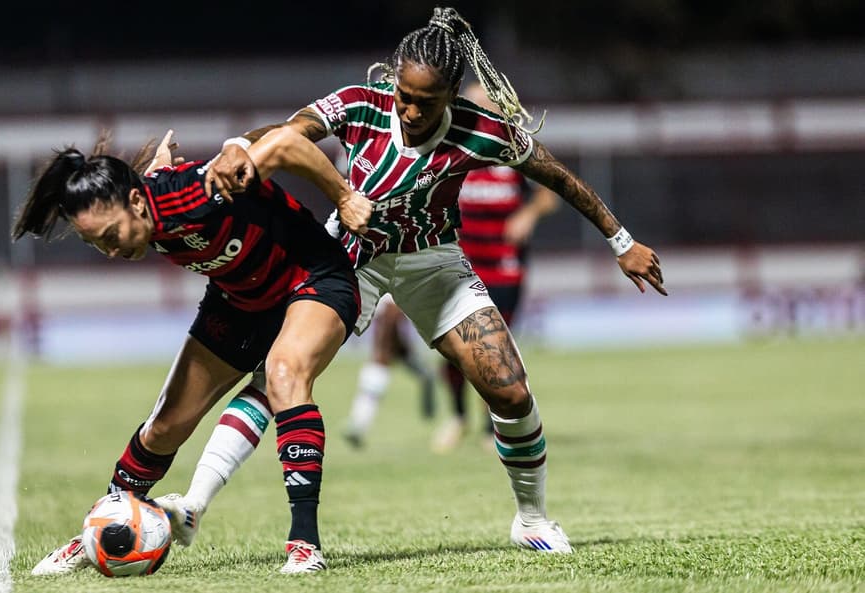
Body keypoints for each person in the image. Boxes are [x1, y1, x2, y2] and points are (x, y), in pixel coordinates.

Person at [159, 6, 666, 556]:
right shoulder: (361, 104)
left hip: (434, 262)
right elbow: (291, 132)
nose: (411, 110)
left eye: (427, 102)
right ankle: (193, 505)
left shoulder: (481, 131)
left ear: (451, 95)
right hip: (349, 257)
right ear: (394, 79)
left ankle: (532, 520)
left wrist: (622, 241)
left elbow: (558, 176)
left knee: (511, 390)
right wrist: (239, 145)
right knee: (281, 374)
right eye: (404, 95)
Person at [17, 127, 368, 575]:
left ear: (136, 203)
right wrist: (157, 171)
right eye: (97, 243)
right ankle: (103, 527)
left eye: (111, 235)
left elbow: (285, 143)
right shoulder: (144, 204)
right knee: (164, 426)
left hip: (313, 277)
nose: (111, 251)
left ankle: (305, 543)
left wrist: (343, 196)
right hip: (240, 299)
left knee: (284, 374)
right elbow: (153, 185)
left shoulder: (198, 190)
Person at [433, 81, 560, 453]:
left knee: (494, 350)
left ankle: (494, 428)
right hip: (459, 267)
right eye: (474, 102)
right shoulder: (451, 149)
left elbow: (550, 193)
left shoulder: (513, 150)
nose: (481, 108)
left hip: (504, 268)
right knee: (453, 349)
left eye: (487, 102)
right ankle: (458, 417)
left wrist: (528, 214)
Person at [343, 294, 436, 448]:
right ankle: (357, 427)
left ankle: (357, 426)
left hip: (384, 357)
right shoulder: (391, 305)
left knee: (427, 377)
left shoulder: (385, 304)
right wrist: (405, 351)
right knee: (371, 392)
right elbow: (391, 332)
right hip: (383, 359)